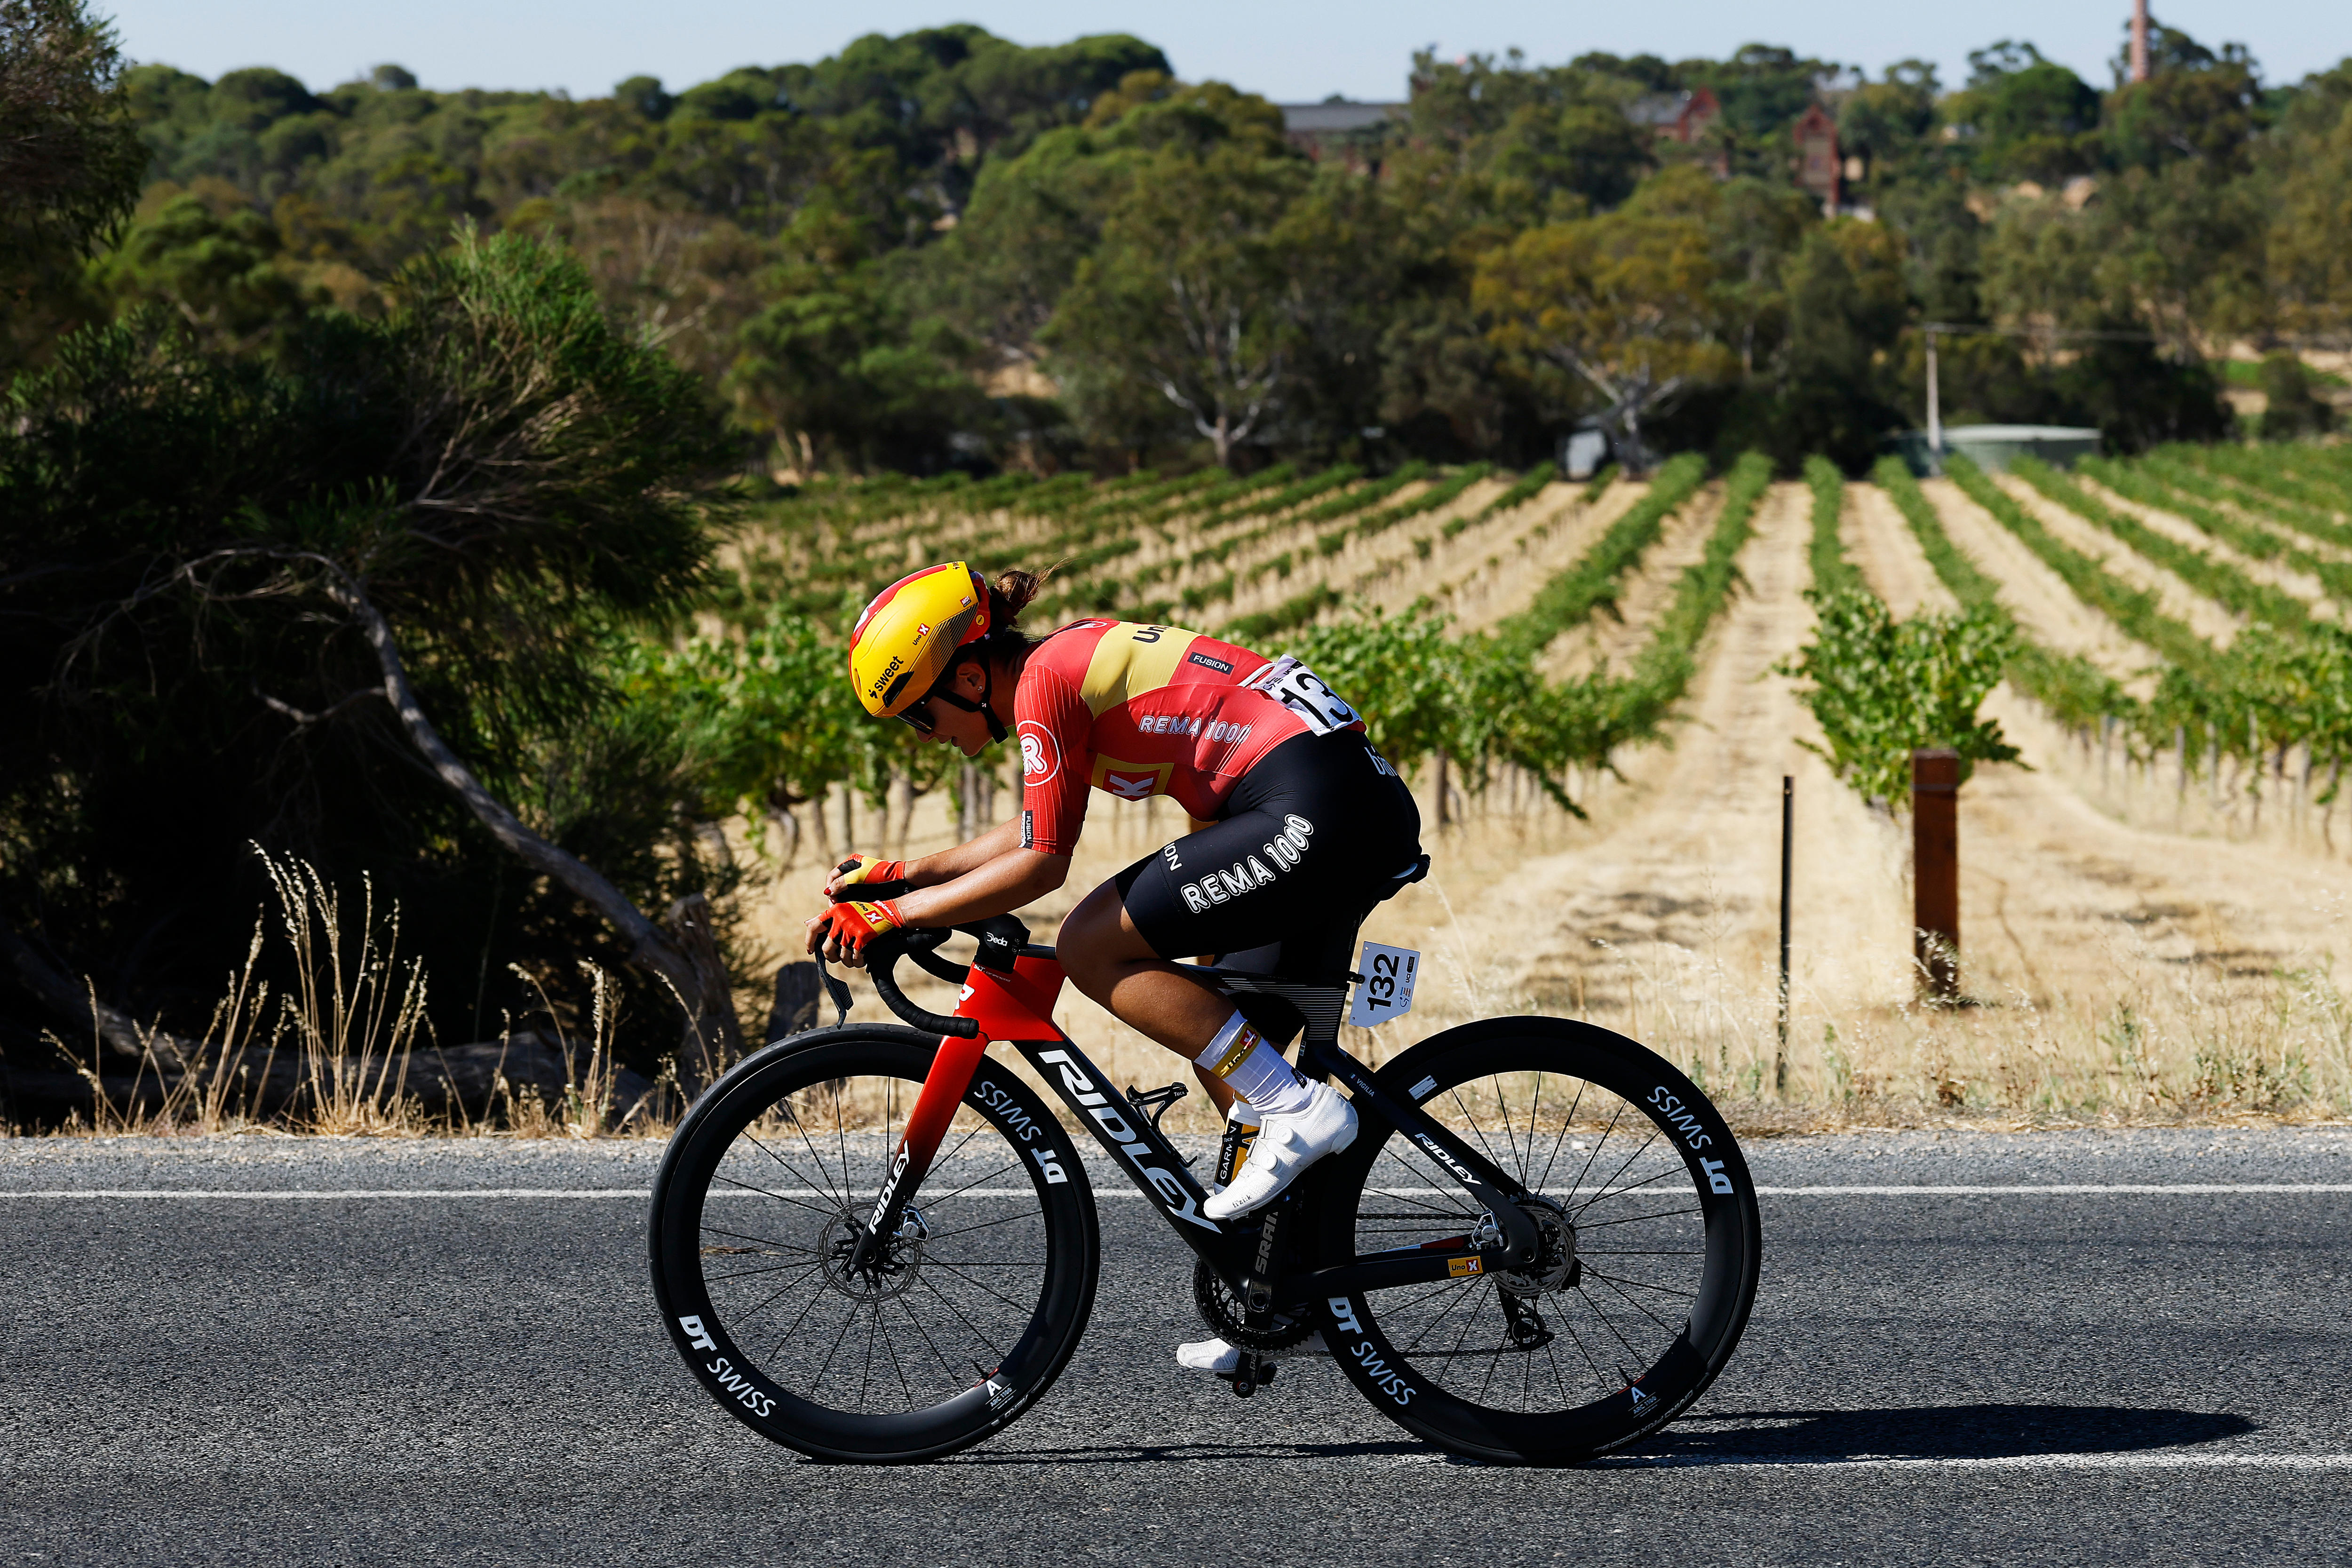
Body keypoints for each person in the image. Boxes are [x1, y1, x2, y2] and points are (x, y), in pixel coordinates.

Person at [807, 562, 1424, 1374]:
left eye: (921, 713)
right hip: (1338, 799)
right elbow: (1036, 823)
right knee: (1232, 1043)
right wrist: (907, 874)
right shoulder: (1058, 670)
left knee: (1089, 945)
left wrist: (897, 915)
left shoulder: (1046, 683)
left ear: (969, 677)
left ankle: (1298, 1113)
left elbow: (1042, 862)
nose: (925, 736)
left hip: (1312, 804)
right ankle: (1282, 1287)